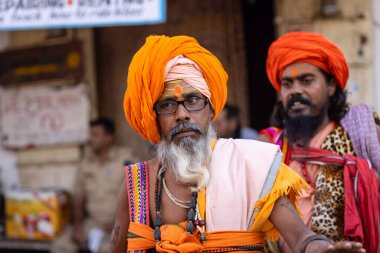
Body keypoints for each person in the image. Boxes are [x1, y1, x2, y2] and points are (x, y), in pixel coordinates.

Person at [111, 35, 365, 253]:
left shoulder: (251, 164)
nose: (182, 114)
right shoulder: (137, 183)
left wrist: (319, 247)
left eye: (193, 101)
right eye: (167, 105)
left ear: (211, 110)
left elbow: (300, 237)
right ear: (154, 118)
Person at [259, 31, 380, 253]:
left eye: (306, 80)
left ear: (332, 85)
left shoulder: (362, 134)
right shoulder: (270, 145)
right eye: (287, 83)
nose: (295, 90)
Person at [52, 118, 133, 253]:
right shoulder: (86, 163)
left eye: (95, 134)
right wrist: (77, 226)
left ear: (108, 137)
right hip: (91, 223)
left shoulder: (124, 159)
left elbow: (135, 195)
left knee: (107, 249)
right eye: (90, 134)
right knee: (60, 245)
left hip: (118, 224)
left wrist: (119, 222)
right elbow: (78, 198)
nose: (91, 139)